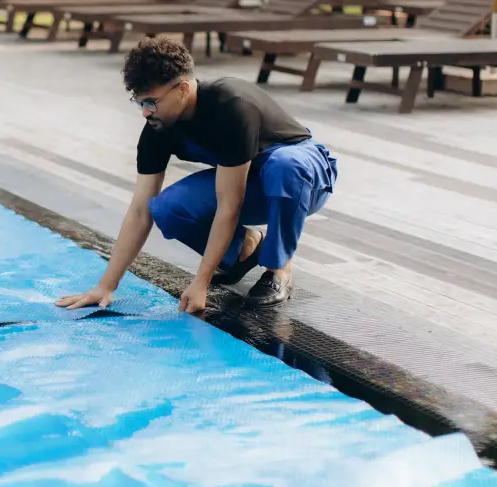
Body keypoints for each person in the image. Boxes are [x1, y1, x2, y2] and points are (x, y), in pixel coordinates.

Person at [56, 37, 337, 314]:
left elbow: (230, 205)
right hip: (253, 181)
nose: (144, 112)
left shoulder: (232, 106)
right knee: (166, 208)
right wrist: (106, 286)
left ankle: (279, 266)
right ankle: (247, 248)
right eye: (138, 101)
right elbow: (141, 211)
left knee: (283, 166)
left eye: (152, 102)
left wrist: (200, 281)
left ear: (182, 89)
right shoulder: (157, 127)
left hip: (305, 179)